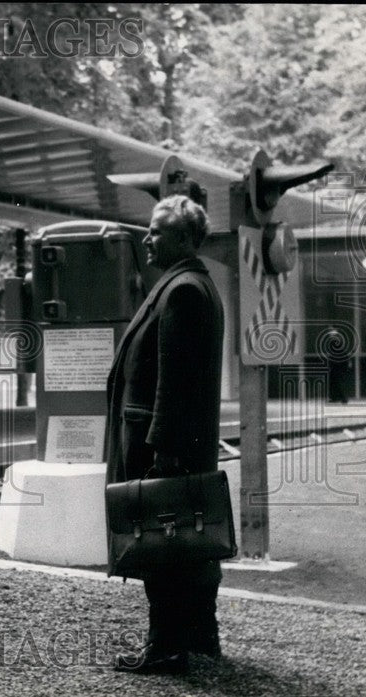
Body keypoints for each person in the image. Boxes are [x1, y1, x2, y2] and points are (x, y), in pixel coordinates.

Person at [105, 195, 225, 674]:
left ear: (181, 238)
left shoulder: (181, 291)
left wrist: (165, 451)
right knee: (186, 543)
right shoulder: (192, 285)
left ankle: (166, 647)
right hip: (172, 441)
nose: (146, 238)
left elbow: (174, 383)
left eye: (155, 231)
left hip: (160, 445)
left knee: (162, 544)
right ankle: (199, 637)